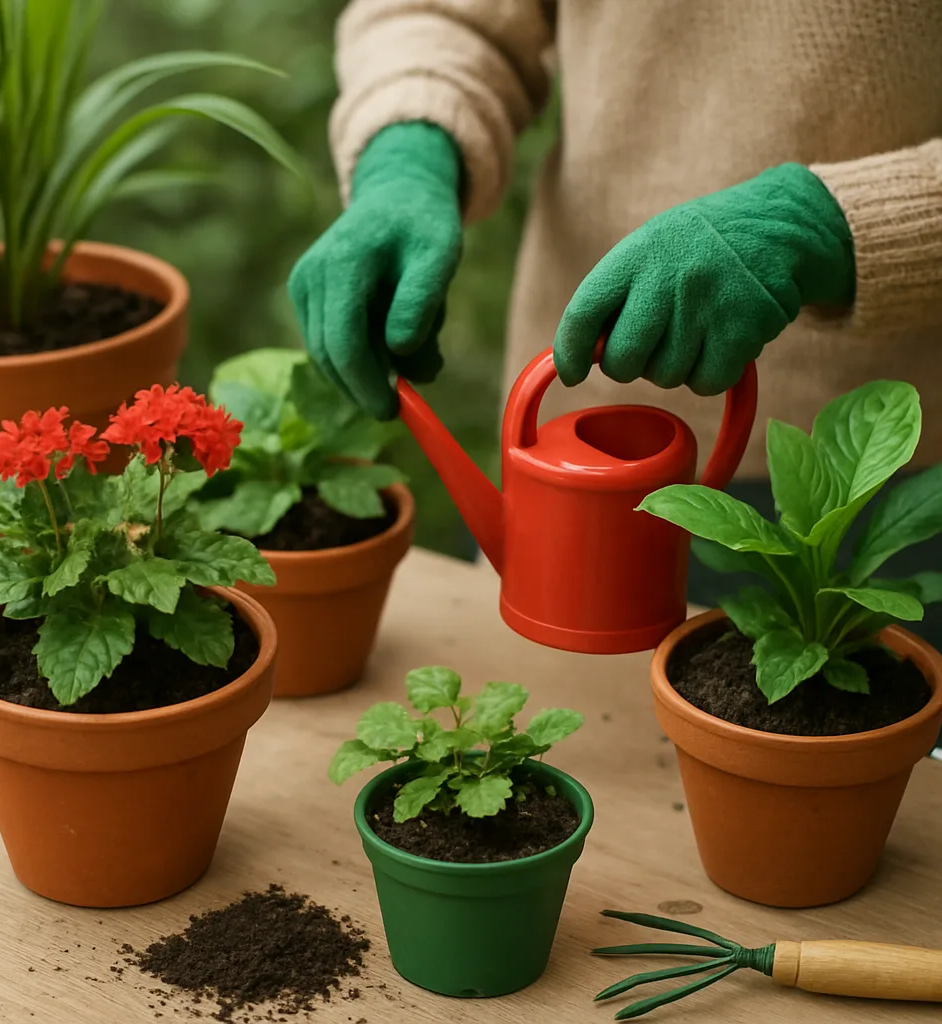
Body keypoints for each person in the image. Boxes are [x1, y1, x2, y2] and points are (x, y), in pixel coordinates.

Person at [288, 1, 942, 745]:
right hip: (577, 393)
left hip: (897, 478)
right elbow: (441, 13)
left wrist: (825, 224)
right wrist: (406, 155)